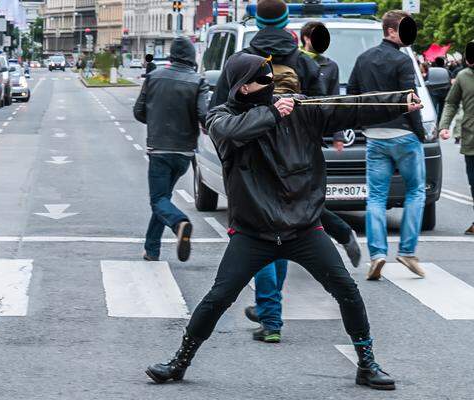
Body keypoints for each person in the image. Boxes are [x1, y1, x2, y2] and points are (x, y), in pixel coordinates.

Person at [145, 52, 423, 390]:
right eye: (262, 79)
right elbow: (232, 132)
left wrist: (398, 102)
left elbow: (348, 107)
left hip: (302, 227)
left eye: (271, 77)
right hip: (253, 232)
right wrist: (273, 113)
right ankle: (179, 362)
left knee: (347, 290)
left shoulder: (298, 109)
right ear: (242, 87)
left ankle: (367, 364)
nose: (270, 84)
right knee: (218, 298)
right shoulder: (222, 116)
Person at [211, 12, 361, 343]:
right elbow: (325, 104)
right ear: (285, 20)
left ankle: (270, 315)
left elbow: (221, 103)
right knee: (289, 229)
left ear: (257, 20)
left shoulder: (244, 59)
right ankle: (272, 306)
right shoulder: (304, 61)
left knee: (265, 234)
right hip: (296, 157)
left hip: (255, 154)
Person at [348, 10, 430, 279]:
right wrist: (420, 134)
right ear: (392, 31)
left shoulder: (363, 59)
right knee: (416, 192)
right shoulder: (402, 61)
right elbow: (410, 102)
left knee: (375, 197)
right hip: (403, 134)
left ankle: (377, 255)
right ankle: (407, 251)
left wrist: (362, 125)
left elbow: (352, 97)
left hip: (375, 137)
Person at [133, 37, 209, 262]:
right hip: (184, 152)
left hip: (159, 149)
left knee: (158, 200)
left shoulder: (153, 77)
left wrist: (156, 120)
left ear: (172, 55)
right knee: (163, 198)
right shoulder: (198, 81)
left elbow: (138, 112)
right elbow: (204, 116)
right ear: (192, 57)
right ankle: (151, 249)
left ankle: (179, 223)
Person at [209, 0, 325, 110]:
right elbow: (321, 111)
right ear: (286, 21)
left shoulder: (238, 62)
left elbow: (215, 112)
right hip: (296, 130)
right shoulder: (306, 63)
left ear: (258, 23)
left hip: (249, 130)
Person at [439, 41, 474, 234]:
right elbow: (451, 103)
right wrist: (444, 126)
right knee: (473, 182)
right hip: (471, 139)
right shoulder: (463, 77)